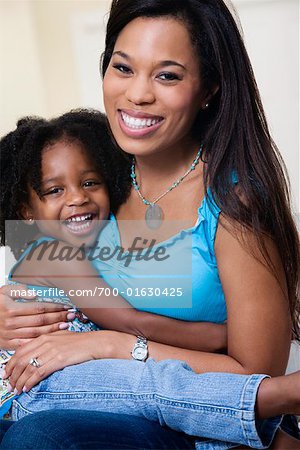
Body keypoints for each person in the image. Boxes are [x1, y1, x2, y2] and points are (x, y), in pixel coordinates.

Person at [0, 0, 299, 448]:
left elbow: (253, 369)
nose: (138, 94)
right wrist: (9, 315)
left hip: (183, 419)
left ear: (209, 89)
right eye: (123, 68)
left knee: (43, 437)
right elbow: (30, 259)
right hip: (56, 390)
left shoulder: (233, 202)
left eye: (167, 75)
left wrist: (115, 345)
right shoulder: (97, 173)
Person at [0, 109, 227, 415]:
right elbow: (129, 321)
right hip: (34, 388)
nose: (78, 198)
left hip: (60, 379)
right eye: (55, 190)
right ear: (27, 211)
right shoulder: (52, 254)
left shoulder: (94, 245)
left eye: (90, 183)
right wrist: (220, 336)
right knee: (152, 384)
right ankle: (269, 407)